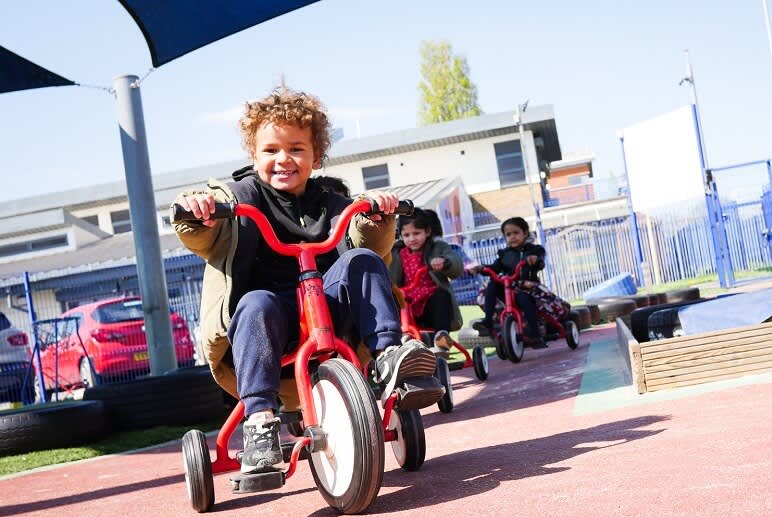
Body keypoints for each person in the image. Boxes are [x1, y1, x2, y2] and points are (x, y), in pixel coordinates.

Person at [172, 87, 443, 475]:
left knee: (362, 260)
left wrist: (378, 215)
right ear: (254, 155)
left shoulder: (332, 203)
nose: (284, 159)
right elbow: (198, 232)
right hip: (268, 326)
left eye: (297, 149)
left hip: (329, 312)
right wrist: (198, 210)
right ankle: (261, 422)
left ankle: (388, 357)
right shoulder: (236, 201)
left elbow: (369, 240)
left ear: (316, 156)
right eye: (271, 150)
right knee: (256, 302)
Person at [389, 209, 464, 352]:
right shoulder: (396, 252)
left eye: (416, 233)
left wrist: (444, 263)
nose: (411, 239)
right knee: (390, 305)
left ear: (427, 232)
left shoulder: (437, 248)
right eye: (406, 235)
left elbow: (456, 264)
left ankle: (442, 337)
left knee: (442, 295)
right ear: (401, 235)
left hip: (430, 303)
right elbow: (386, 268)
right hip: (407, 303)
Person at [470, 216, 549, 348]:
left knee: (524, 299)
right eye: (508, 234)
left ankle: (536, 334)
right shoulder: (504, 254)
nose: (512, 237)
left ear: (525, 233)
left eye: (516, 233)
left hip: (526, 288)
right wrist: (481, 268)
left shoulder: (534, 250)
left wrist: (535, 260)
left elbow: (540, 261)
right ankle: (488, 320)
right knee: (493, 283)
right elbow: (494, 268)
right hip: (508, 289)